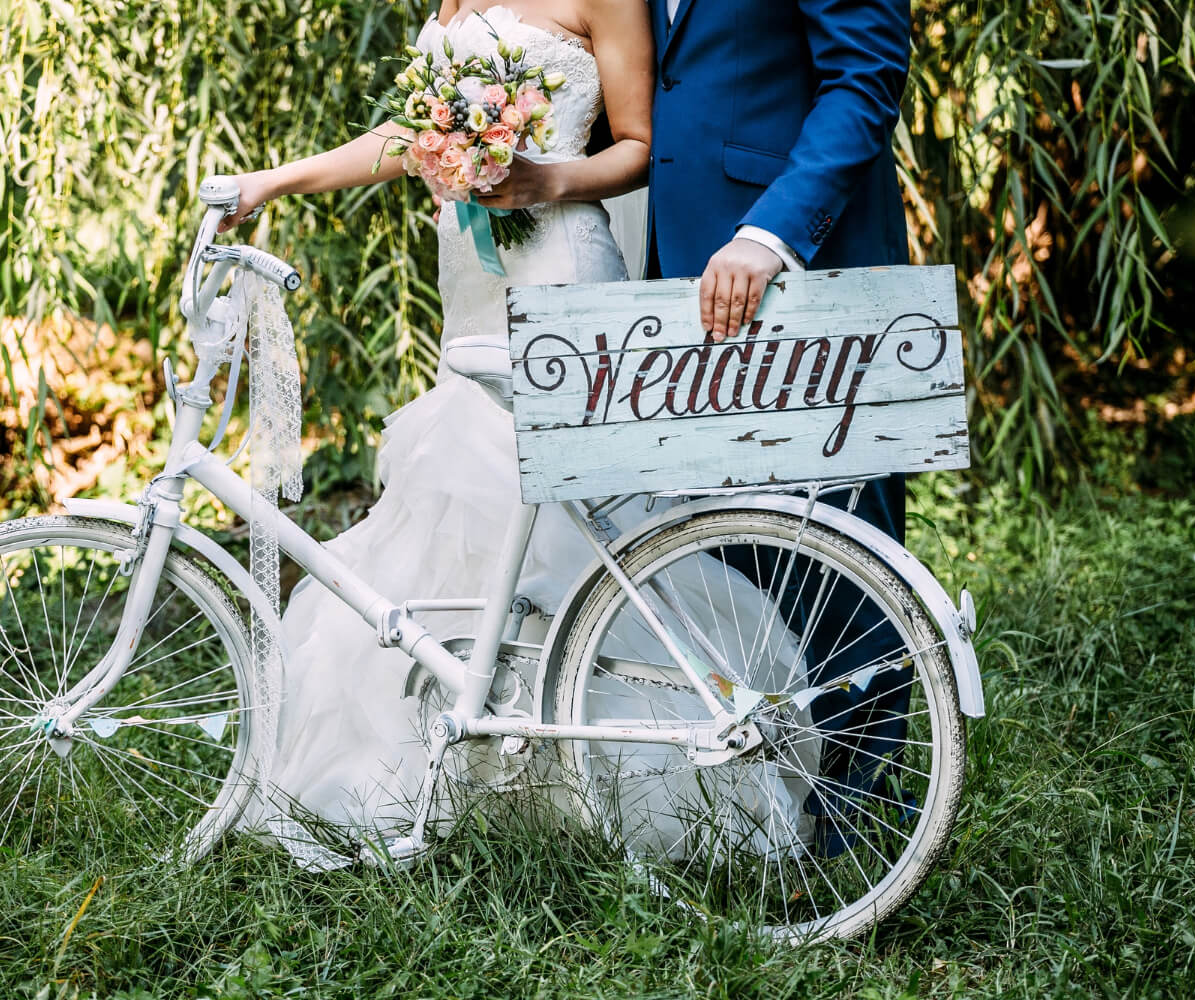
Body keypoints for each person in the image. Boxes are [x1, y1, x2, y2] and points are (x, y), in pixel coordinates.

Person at [216, 1, 666, 845]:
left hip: (559, 262)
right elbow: (408, 136)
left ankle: (577, 766)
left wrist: (545, 178)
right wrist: (272, 181)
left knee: (551, 510)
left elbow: (642, 146)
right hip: (469, 277)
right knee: (462, 496)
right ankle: (463, 749)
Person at [646, 0, 918, 855]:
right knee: (721, 544)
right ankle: (754, 803)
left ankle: (854, 817)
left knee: (837, 547)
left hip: (802, 263)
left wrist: (774, 232)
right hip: (674, 263)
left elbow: (866, 76)